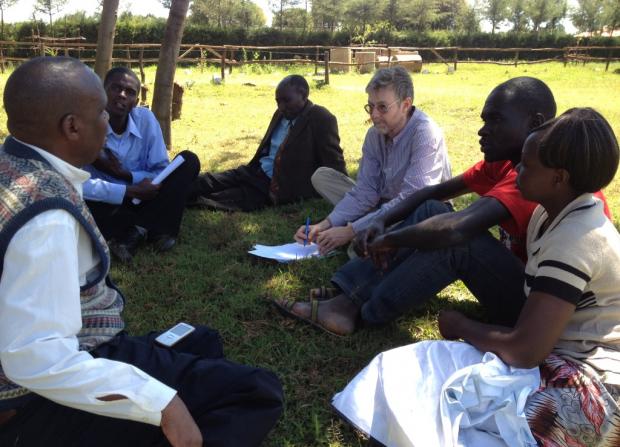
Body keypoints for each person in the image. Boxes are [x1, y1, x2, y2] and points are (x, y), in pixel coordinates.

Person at [0, 56, 283, 446]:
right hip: (37, 400)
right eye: (100, 109)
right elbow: (35, 358)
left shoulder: (13, 164)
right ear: (72, 127)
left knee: (201, 340)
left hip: (86, 343)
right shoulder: (47, 219)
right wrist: (162, 404)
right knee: (258, 390)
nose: (108, 115)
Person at [332, 108, 620, 447]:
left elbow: (526, 350)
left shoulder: (577, 238)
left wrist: (459, 325)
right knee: (411, 370)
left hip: (591, 387)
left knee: (445, 403)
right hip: (550, 351)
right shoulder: (553, 211)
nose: (518, 171)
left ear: (559, 178)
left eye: (527, 166)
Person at [276, 77, 609, 336]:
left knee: (458, 243)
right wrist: (385, 221)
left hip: (544, 312)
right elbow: (432, 192)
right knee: (433, 210)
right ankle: (348, 293)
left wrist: (391, 238)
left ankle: (359, 308)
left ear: (535, 122)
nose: (482, 130)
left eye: (494, 121)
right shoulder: (507, 164)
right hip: (529, 284)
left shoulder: (540, 177)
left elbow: (458, 228)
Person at [294, 66, 451, 255]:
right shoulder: (374, 135)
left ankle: (360, 234)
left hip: (417, 212)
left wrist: (350, 230)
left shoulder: (425, 134)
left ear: (405, 105)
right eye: (371, 106)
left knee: (358, 251)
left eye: (382, 107)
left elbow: (412, 199)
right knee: (323, 177)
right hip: (382, 203)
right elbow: (366, 191)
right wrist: (324, 224)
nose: (374, 115)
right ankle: (354, 230)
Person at [84, 66, 200, 263]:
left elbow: (161, 170)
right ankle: (153, 229)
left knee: (189, 161)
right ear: (102, 92)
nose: (122, 95)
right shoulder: (86, 124)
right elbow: (79, 185)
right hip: (108, 202)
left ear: (136, 102)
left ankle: (134, 232)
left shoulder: (145, 119)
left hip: (145, 195)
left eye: (129, 92)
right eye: (115, 88)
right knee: (86, 208)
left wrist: (127, 175)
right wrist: (128, 191)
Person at [187, 74, 346, 211]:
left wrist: (344, 195)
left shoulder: (321, 118)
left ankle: (180, 197)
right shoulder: (281, 114)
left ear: (304, 96)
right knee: (213, 180)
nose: (281, 107)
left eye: (286, 101)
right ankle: (171, 186)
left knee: (219, 198)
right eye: (278, 101)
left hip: (277, 186)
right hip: (255, 171)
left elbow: (334, 161)